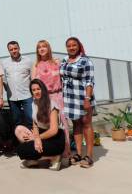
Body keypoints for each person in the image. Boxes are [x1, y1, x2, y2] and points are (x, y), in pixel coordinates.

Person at [60, 37, 96, 168]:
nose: (71, 48)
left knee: (87, 124)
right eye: (68, 46)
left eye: (74, 45)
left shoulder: (86, 61)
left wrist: (87, 99)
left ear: (78, 46)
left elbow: (89, 81)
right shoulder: (64, 60)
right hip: (70, 98)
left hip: (82, 97)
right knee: (76, 124)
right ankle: (79, 154)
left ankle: (89, 155)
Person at [31, 40, 71, 157]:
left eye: (44, 46)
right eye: (39, 47)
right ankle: (50, 150)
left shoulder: (56, 62)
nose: (42, 49)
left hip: (58, 96)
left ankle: (66, 150)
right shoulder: (36, 65)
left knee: (63, 123)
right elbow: (34, 83)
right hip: (43, 98)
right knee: (46, 124)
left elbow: (66, 78)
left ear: (48, 48)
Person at [15, 79, 65, 171]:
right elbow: (35, 124)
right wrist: (36, 137)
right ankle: (35, 159)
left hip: (55, 138)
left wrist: (37, 138)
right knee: (19, 131)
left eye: (38, 89)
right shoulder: (34, 103)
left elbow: (54, 130)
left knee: (24, 150)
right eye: (33, 90)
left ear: (43, 89)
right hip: (41, 134)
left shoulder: (51, 104)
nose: (36, 92)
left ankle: (55, 157)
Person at [3, 41, 33, 128]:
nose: (14, 51)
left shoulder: (28, 61)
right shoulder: (5, 63)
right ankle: (20, 140)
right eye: (11, 49)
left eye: (15, 48)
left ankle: (34, 140)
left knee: (31, 119)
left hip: (27, 95)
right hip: (12, 97)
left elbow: (33, 78)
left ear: (19, 48)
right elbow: (4, 79)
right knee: (17, 122)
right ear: (9, 51)